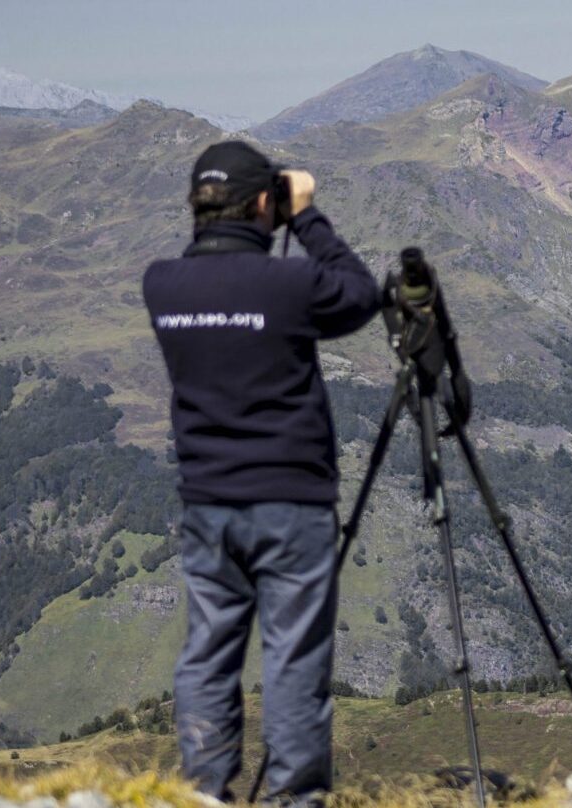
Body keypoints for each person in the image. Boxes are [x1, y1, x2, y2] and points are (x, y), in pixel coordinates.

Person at [143, 140, 381, 804]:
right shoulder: (289, 284)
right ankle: (292, 799)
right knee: (294, 660)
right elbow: (359, 294)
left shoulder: (160, 285)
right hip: (290, 503)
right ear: (260, 205)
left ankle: (203, 792)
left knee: (208, 652)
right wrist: (305, 217)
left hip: (207, 505)